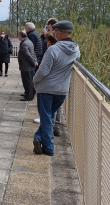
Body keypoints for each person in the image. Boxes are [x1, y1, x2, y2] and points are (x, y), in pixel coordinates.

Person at [32, 20, 80, 156]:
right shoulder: (76, 49)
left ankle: (48, 147)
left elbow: (43, 71)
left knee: (46, 117)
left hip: (47, 88)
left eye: (54, 31)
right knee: (50, 115)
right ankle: (38, 137)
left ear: (58, 32)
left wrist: (34, 81)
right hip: (62, 89)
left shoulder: (53, 49)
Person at [18, 31, 38, 101]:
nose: (18, 37)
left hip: (26, 65)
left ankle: (29, 96)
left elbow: (28, 55)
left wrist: (33, 63)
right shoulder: (29, 41)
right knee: (29, 80)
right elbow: (33, 53)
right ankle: (28, 93)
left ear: (21, 36)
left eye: (19, 36)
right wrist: (35, 62)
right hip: (29, 65)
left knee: (27, 81)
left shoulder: (24, 44)